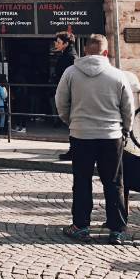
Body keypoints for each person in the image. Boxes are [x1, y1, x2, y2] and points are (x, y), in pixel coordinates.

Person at [55, 34, 133, 244]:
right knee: (114, 182)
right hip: (111, 135)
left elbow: (61, 103)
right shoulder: (118, 75)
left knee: (81, 181)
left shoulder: (70, 73)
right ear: (106, 52)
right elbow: (128, 108)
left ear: (86, 50)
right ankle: (117, 229)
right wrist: (125, 129)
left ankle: (81, 225)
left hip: (81, 135)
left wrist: (72, 122)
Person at [52, 33, 78, 160]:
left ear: (66, 44)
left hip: (71, 95)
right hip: (70, 93)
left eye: (58, 42)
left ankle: (74, 151)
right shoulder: (68, 55)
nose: (56, 44)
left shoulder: (69, 57)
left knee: (73, 124)